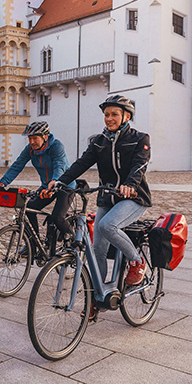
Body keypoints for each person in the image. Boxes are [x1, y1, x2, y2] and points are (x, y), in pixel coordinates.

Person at [48, 94, 151, 291]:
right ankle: (98, 294)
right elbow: (81, 163)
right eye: (106, 115)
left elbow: (140, 164)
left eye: (114, 114)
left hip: (134, 198)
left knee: (107, 226)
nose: (109, 118)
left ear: (126, 116)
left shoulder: (139, 138)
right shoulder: (99, 141)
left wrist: (130, 184)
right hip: (108, 198)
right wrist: (60, 181)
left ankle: (137, 262)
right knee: (97, 250)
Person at [0, 121, 71, 257]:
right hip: (45, 186)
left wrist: (54, 182)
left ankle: (72, 239)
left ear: (45, 137)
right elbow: (17, 165)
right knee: (29, 208)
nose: (32, 142)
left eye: (35, 138)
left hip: (64, 186)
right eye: (30, 138)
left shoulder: (56, 146)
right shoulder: (30, 150)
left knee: (57, 217)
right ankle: (33, 244)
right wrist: (3, 183)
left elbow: (59, 165)